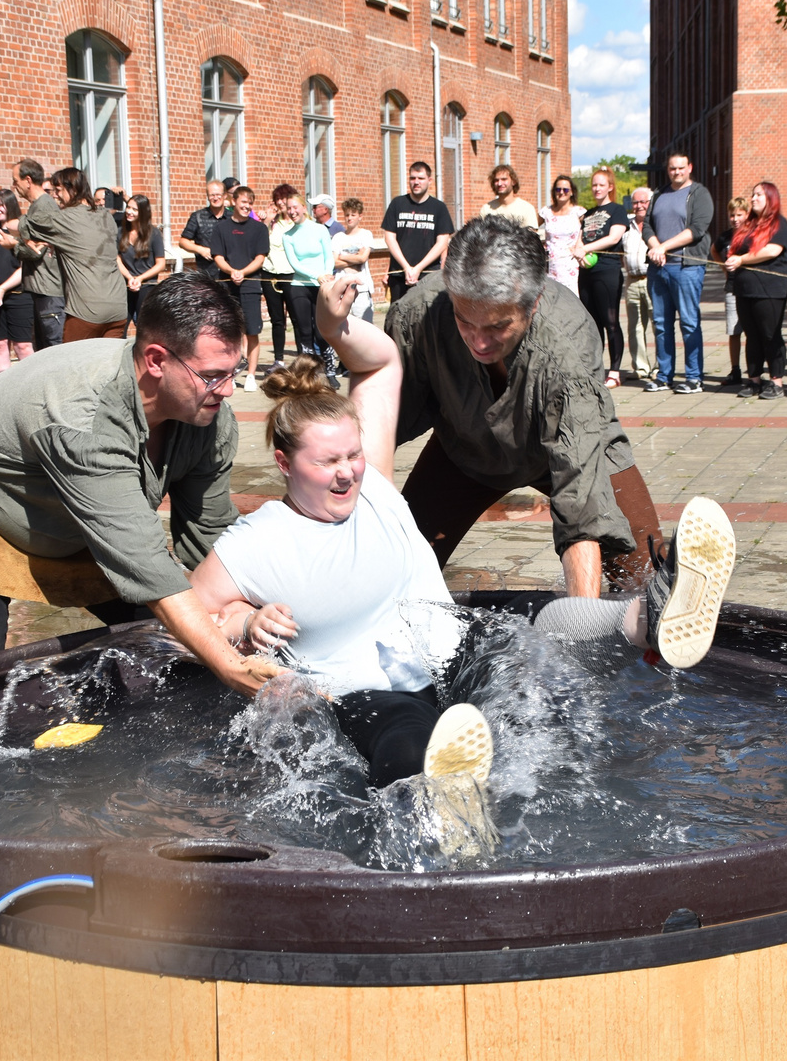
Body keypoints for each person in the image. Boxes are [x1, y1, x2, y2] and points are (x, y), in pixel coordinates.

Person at [190, 274, 736, 822]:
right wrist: (244, 620)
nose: (347, 473)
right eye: (326, 463)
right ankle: (440, 807)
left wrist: (334, 328)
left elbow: (378, 363)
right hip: (368, 690)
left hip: (452, 651)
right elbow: (189, 616)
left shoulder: (374, 482)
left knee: (532, 629)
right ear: (284, 464)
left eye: (352, 455)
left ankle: (653, 617)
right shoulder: (258, 540)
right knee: (405, 735)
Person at [0, 270, 283, 694]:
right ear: (155, 360)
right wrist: (230, 666)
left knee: (167, 640)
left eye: (235, 370)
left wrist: (249, 611)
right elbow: (143, 559)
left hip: (73, 518)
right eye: (212, 375)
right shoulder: (82, 415)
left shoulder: (208, 417)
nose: (227, 390)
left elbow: (208, 533)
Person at [388, 214, 665, 596]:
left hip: (572, 448)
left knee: (648, 584)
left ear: (533, 303)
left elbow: (581, 502)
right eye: (465, 321)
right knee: (398, 573)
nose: (479, 342)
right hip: (464, 450)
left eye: (498, 326)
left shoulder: (568, 346)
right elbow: (377, 429)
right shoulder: (418, 313)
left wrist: (580, 628)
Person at [17, 167, 130, 342]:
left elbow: (30, 226)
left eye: (58, 190)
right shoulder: (105, 216)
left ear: (73, 188)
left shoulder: (66, 218)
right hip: (118, 306)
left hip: (86, 310)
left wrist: (34, 196)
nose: (55, 195)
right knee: (109, 365)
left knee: (72, 365)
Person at [644, 153, 713, 394]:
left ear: (690, 167)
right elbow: (647, 226)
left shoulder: (699, 194)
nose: (676, 172)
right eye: (672, 168)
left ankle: (694, 378)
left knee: (689, 322)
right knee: (662, 325)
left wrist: (664, 247)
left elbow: (697, 229)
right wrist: (655, 247)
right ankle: (664, 376)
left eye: (681, 168)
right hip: (658, 267)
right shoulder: (659, 194)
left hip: (687, 267)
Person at [725, 182, 787, 400]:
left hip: (770, 290)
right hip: (745, 289)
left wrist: (742, 259)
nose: (753, 199)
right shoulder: (749, 224)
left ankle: (776, 382)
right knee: (752, 336)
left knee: (770, 335)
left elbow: (772, 250)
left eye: (758, 195)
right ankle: (754, 379)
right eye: (753, 194)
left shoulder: (780, 224)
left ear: (770, 198)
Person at [0, 159, 64, 351]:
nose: (15, 186)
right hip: (41, 290)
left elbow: (36, 250)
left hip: (49, 291)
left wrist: (11, 244)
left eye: (16, 181)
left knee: (54, 349)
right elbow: (32, 243)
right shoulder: (37, 206)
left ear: (28, 180)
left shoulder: (44, 207)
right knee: (44, 349)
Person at [209, 186, 270, 387]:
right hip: (227, 285)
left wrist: (243, 272)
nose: (247, 206)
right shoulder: (221, 228)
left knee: (252, 331)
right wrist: (231, 271)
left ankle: (251, 375)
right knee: (229, 332)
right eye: (243, 202)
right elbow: (218, 256)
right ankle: (231, 373)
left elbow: (260, 257)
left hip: (250, 285)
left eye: (250, 203)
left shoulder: (259, 228)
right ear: (234, 201)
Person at [577, 167, 630, 389]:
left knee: (610, 321)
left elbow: (613, 237)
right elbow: (579, 239)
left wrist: (586, 248)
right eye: (594, 185)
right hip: (586, 272)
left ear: (610, 187)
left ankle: (615, 371)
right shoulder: (587, 215)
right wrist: (579, 251)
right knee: (592, 323)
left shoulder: (617, 210)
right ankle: (596, 368)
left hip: (607, 271)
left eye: (601, 185)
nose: (597, 188)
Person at [279, 190, 338, 387]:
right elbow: (295, 264)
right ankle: (308, 373)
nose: (292, 211)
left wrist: (327, 274)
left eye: (295, 207)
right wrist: (316, 275)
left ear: (304, 208)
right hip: (300, 286)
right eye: (289, 208)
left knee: (321, 332)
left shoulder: (319, 229)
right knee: (304, 332)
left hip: (321, 285)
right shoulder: (288, 235)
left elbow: (328, 256)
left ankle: (330, 370)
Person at [382, 162, 454, 304]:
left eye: (420, 178)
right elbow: (389, 237)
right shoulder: (397, 204)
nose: (416, 182)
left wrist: (418, 268)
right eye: (412, 178)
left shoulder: (439, 208)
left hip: (428, 276)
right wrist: (406, 267)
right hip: (399, 274)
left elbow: (442, 242)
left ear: (429, 180)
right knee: (397, 321)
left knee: (427, 322)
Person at [0, 190, 34, 373]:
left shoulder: (22, 233)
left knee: (22, 346)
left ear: (10, 205)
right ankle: (3, 391)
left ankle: (31, 387)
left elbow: (25, 267)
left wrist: (3, 288)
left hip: (19, 295)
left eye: (1, 205)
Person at [620, 186, 656, 387]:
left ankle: (661, 367)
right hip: (632, 280)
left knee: (658, 324)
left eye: (644, 202)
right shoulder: (627, 226)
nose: (640, 206)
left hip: (652, 279)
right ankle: (641, 367)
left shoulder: (656, 224)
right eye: (636, 202)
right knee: (635, 327)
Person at [261, 184, 299, 375]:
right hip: (270, 274)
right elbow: (259, 242)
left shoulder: (296, 223)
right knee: (277, 320)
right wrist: (267, 221)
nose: (280, 203)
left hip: (291, 275)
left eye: (283, 198)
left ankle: (302, 359)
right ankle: (278, 360)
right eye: (277, 199)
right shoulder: (272, 223)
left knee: (297, 317)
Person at [118, 194, 167, 338]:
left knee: (145, 328)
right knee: (121, 326)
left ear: (143, 213)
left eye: (134, 209)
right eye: (128, 207)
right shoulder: (121, 232)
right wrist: (129, 277)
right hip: (126, 285)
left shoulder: (154, 233)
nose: (129, 212)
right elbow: (117, 258)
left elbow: (160, 263)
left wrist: (139, 278)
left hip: (147, 285)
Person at [713, 197, 749, 388]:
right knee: (734, 330)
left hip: (751, 287)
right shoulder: (725, 237)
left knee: (752, 331)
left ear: (746, 215)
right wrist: (724, 270)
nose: (735, 219)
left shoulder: (752, 234)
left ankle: (754, 370)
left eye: (739, 215)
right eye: (732, 215)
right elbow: (714, 250)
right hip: (732, 287)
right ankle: (735, 369)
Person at [331, 197, 376, 323]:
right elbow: (334, 262)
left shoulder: (366, 235)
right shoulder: (338, 237)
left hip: (361, 287)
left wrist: (343, 256)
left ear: (360, 216)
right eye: (346, 215)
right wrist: (354, 257)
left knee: (364, 325)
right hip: (342, 287)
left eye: (353, 214)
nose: (349, 218)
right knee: (342, 325)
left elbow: (362, 258)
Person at [176, 179, 227, 276]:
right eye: (212, 195)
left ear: (224, 196)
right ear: (208, 197)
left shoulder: (232, 217)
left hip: (230, 273)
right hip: (206, 273)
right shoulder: (198, 216)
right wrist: (201, 250)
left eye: (218, 194)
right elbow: (183, 241)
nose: (215, 198)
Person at [542, 174, 584, 289]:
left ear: (572, 192)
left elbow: (588, 232)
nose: (561, 192)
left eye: (565, 189)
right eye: (558, 189)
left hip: (571, 266)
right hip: (551, 265)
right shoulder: (546, 212)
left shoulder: (578, 212)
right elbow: (533, 227)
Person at [479, 165, 540, 230]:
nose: (499, 183)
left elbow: (532, 237)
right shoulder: (486, 209)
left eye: (504, 179)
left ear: (513, 182)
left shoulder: (527, 208)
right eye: (496, 180)